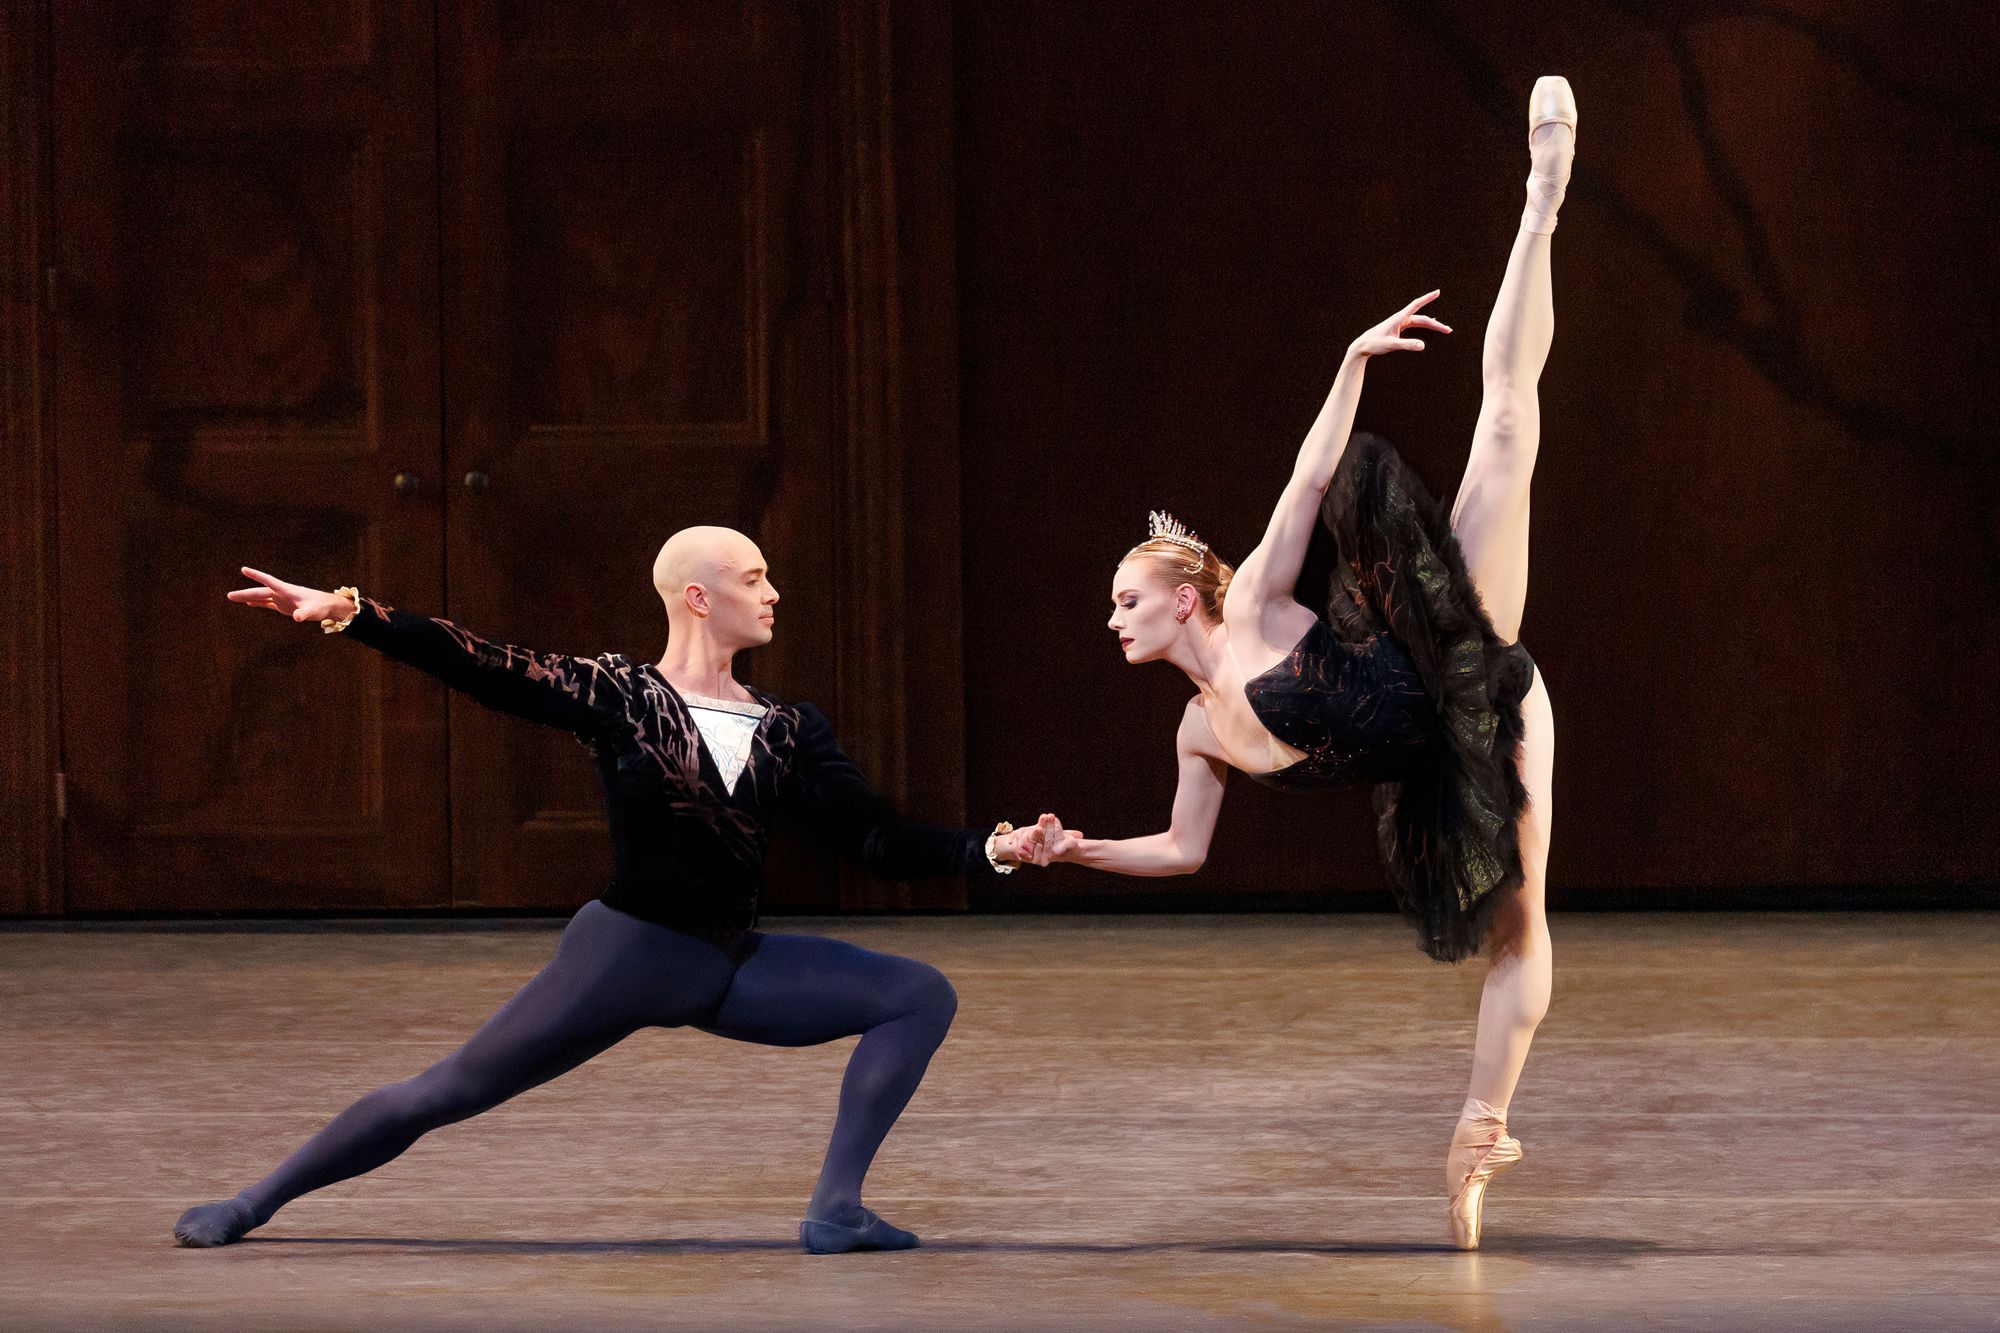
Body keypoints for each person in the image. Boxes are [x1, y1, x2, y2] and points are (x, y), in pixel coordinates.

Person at [175, 525, 1060, 1254]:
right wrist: (353, 615)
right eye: (755, 577)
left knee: (918, 993)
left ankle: (836, 1210)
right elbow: (484, 663)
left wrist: (995, 848)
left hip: (728, 963)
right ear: (699, 597)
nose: (775, 592)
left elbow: (874, 838)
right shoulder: (620, 695)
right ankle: (256, 1201)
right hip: (625, 956)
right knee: (446, 1091)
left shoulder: (791, 728)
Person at [1036, 78, 1576, 1249]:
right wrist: (1078, 848)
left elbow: (1305, 480)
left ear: (1183, 596)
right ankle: (1472, 1145)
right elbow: (1182, 850)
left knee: (1500, 429)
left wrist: (1350, 359)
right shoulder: (1193, 732)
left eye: (1124, 600)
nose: (1112, 620)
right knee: (1506, 935)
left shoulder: (1258, 606)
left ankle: (1537, 206)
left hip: (1460, 662)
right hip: (1439, 760)